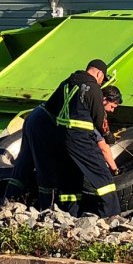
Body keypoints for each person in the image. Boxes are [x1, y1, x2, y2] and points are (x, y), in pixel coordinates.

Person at [49, 58, 123, 217]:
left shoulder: (66, 83)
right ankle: (111, 216)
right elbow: (99, 118)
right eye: (103, 78)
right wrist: (109, 136)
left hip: (59, 138)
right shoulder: (93, 88)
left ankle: (69, 214)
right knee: (102, 176)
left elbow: (51, 108)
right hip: (80, 138)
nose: (102, 82)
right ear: (99, 73)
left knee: (70, 177)